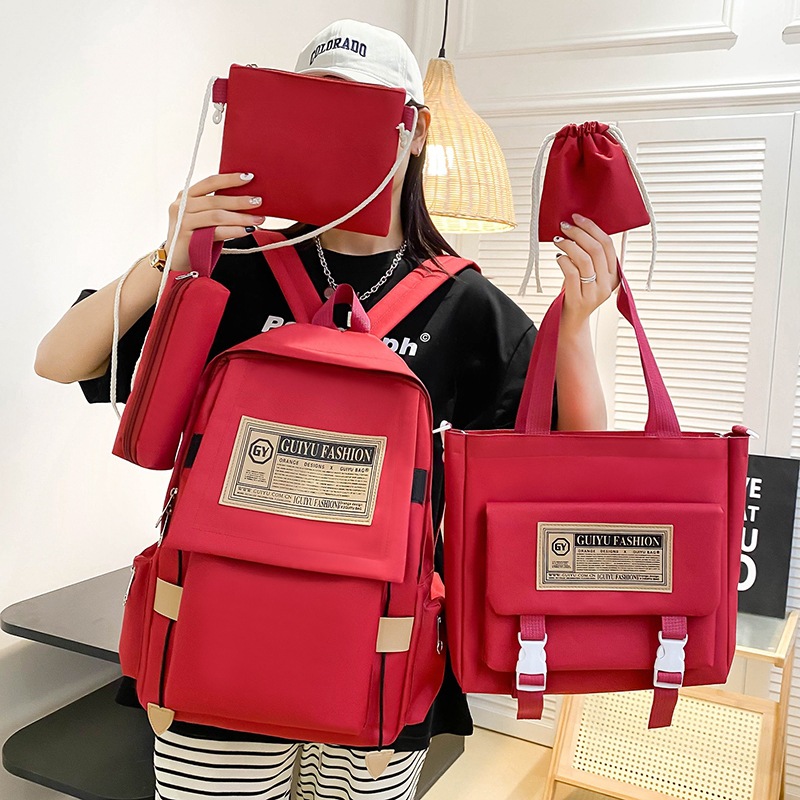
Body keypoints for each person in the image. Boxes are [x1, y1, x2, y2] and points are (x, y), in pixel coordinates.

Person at [34, 18, 619, 800]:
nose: (333, 130)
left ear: (415, 131)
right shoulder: (235, 264)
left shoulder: (463, 302)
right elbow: (60, 359)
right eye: (311, 106)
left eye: (361, 109)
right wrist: (171, 251)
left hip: (381, 650)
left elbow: (573, 462)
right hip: (217, 635)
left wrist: (576, 327)